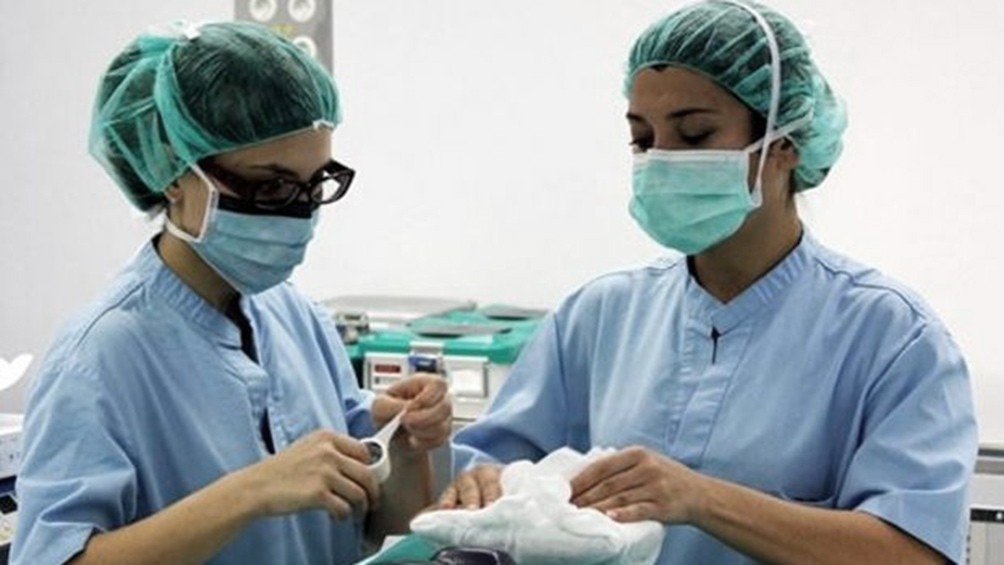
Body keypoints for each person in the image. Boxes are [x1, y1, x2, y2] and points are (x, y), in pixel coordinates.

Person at [441, 1, 977, 563]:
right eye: (642, 140)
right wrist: (482, 483)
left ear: (785, 143)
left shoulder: (891, 337)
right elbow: (489, 472)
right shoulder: (600, 316)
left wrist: (702, 499)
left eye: (694, 134)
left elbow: (916, 552)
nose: (661, 161)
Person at [12, 21, 451, 565]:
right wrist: (250, 492)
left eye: (316, 184)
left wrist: (406, 445)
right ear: (175, 173)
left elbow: (385, 523)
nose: (298, 213)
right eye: (271, 186)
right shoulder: (100, 357)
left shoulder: (295, 316)